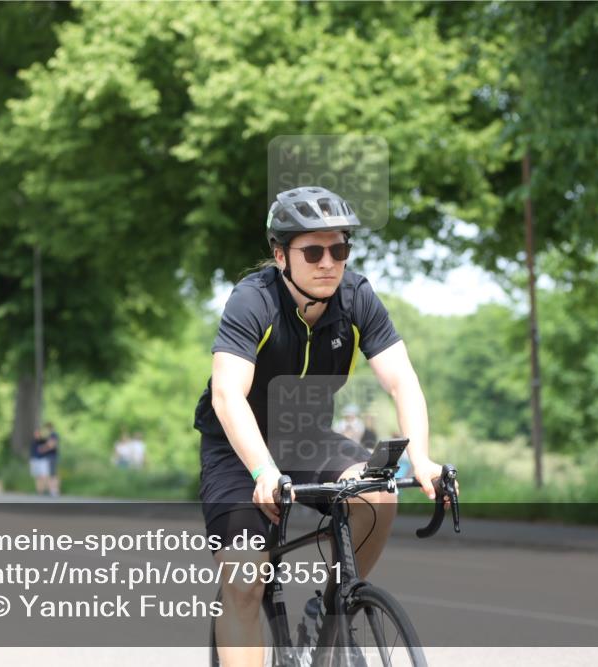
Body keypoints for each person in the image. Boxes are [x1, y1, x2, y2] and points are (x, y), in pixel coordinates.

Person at [193, 186, 456, 666]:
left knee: (378, 494)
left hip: (308, 439)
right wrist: (262, 471)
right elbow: (227, 395)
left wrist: (421, 458)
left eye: (339, 249)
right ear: (280, 255)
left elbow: (402, 381)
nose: (329, 263)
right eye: (313, 252)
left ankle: (333, 606)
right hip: (238, 449)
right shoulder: (253, 300)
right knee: (245, 581)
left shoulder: (356, 297)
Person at [39, 421, 60, 497]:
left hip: (52, 457)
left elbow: (52, 445)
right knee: (51, 474)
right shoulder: (51, 435)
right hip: (50, 457)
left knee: (53, 474)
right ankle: (52, 490)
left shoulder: (53, 435)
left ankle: (54, 490)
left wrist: (43, 449)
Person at [28, 427, 51, 495]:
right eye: (35, 433)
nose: (36, 435)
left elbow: (48, 447)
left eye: (37, 433)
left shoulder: (43, 441)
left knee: (44, 475)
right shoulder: (33, 441)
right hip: (34, 460)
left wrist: (43, 449)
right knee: (37, 476)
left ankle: (46, 489)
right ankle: (39, 491)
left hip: (42, 460)